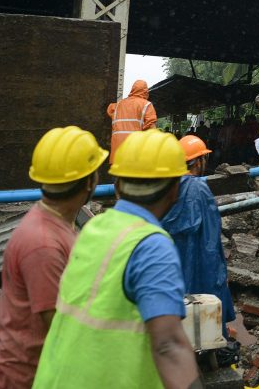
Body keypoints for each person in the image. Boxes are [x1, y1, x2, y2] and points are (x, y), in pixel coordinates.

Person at [33, 130, 200, 388]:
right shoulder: (152, 246)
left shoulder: (94, 228)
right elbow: (168, 345)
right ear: (174, 190)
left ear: (118, 185)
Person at [0, 127, 106, 389]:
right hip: (24, 380)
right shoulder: (43, 244)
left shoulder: (58, 225)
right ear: (88, 181)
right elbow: (62, 328)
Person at [160, 136, 238, 364]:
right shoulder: (200, 189)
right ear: (198, 161)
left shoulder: (168, 187)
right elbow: (211, 235)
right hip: (202, 259)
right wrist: (221, 271)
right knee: (207, 301)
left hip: (176, 261)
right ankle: (209, 351)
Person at [107, 79, 158, 163]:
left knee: (117, 175)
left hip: (117, 152)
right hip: (134, 152)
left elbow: (110, 110)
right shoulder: (146, 105)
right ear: (145, 91)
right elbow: (152, 130)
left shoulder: (118, 105)